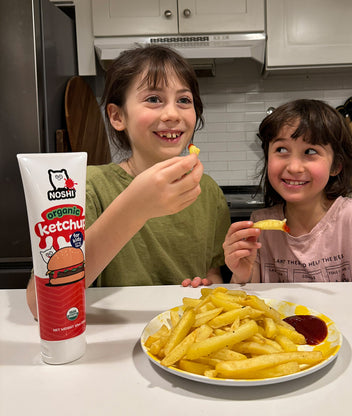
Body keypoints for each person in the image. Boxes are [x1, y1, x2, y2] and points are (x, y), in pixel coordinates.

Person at [27, 45, 230, 317]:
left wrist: (206, 287)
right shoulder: (88, 187)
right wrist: (136, 206)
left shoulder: (208, 191)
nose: (172, 114)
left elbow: (212, 273)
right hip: (111, 338)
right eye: (154, 99)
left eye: (184, 100)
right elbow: (40, 306)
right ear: (117, 116)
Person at [223, 99, 352, 283]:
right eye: (281, 149)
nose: (294, 167)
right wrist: (241, 273)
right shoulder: (259, 225)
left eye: (310, 152)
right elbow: (245, 303)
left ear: (336, 165)